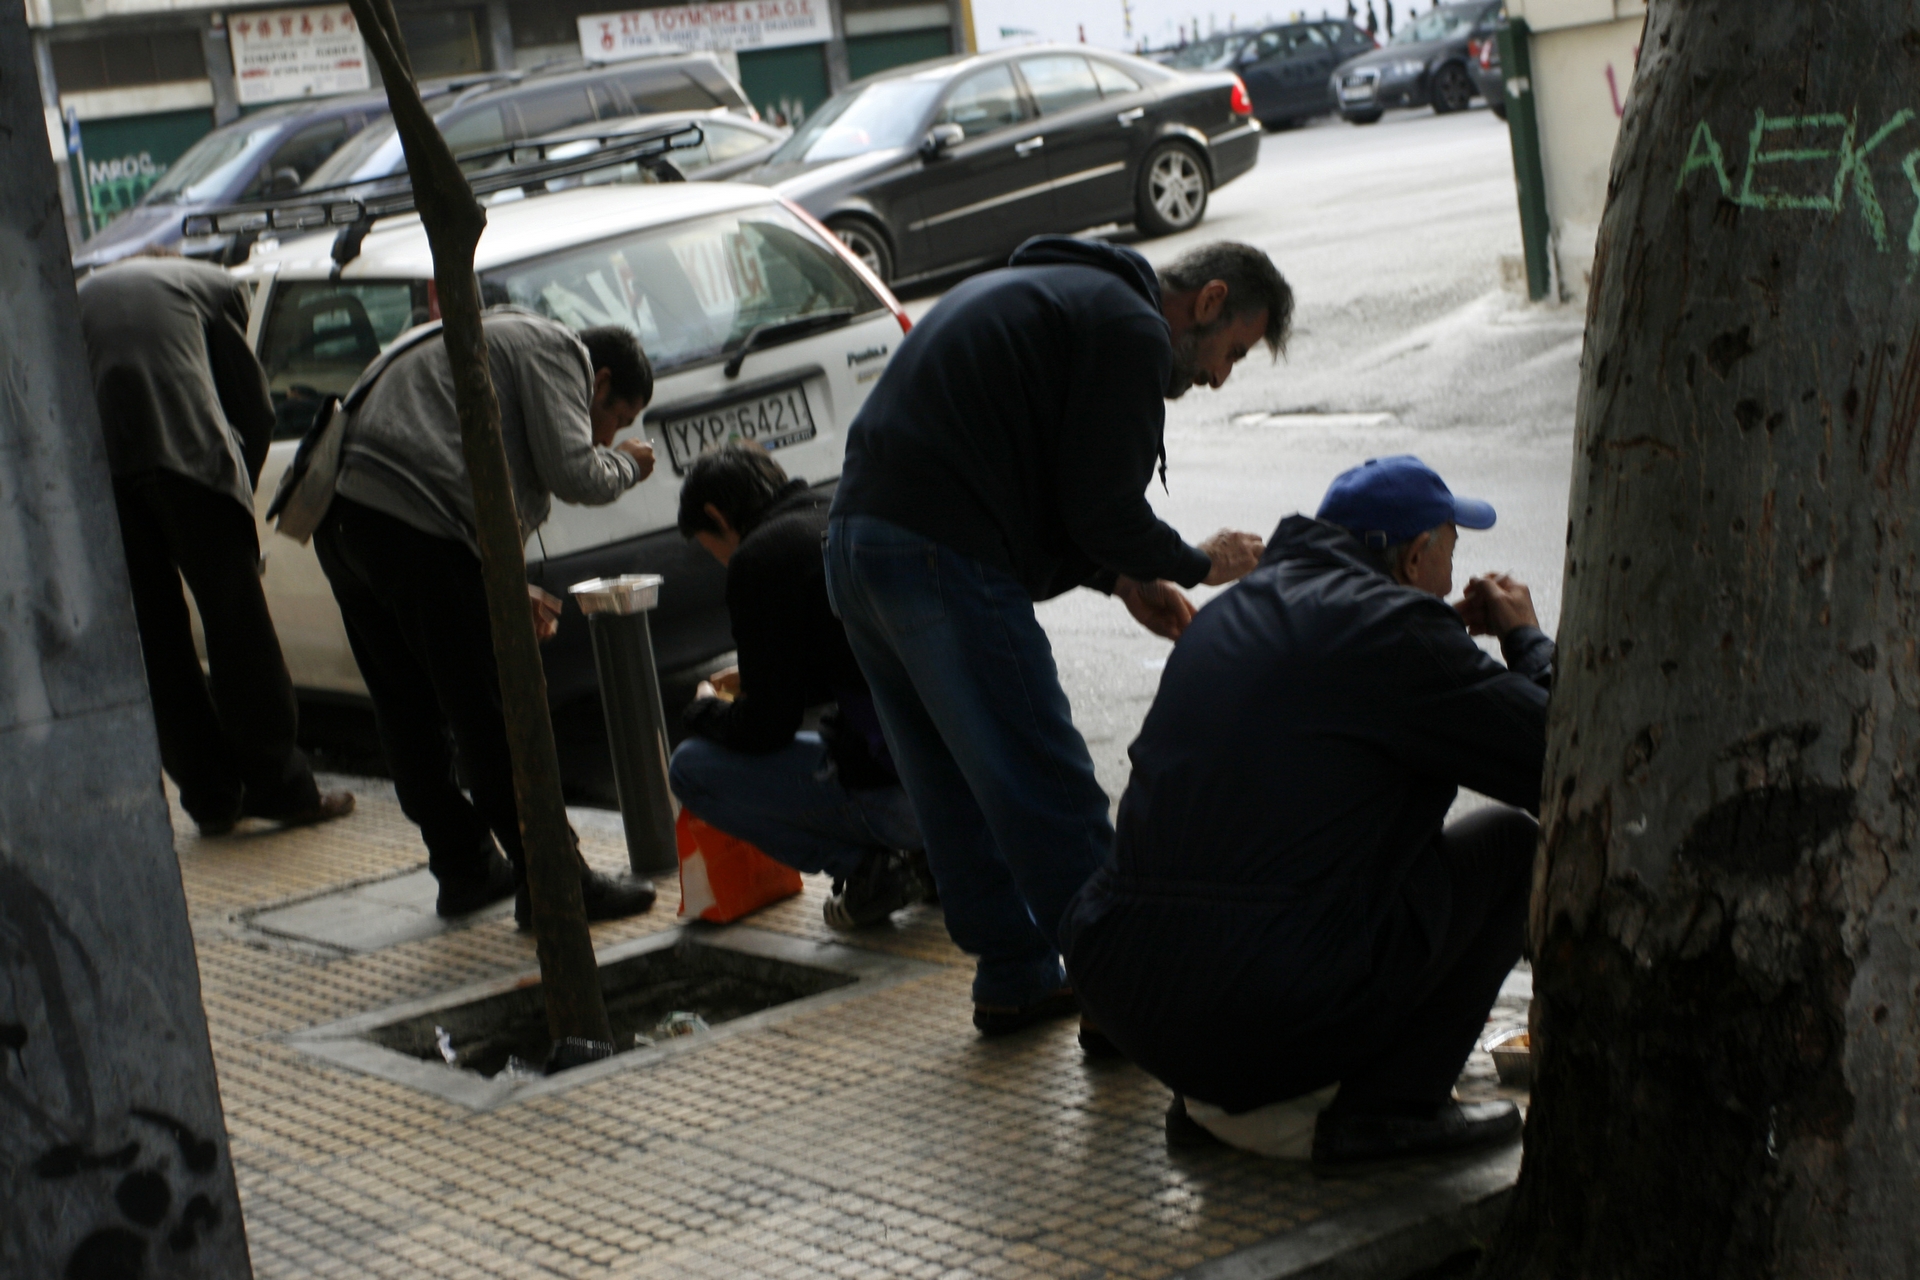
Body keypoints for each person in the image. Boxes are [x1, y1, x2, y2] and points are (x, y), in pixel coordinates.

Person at [825, 236, 1291, 1037]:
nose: (1218, 378)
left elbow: (1041, 479)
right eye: (1234, 353)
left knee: (950, 786)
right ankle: (1126, 993)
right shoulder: (1133, 327)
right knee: (1042, 773)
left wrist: (1121, 577)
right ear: (1208, 301)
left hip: (858, 548)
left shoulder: (1059, 290)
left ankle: (1014, 974)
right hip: (943, 552)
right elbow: (1101, 507)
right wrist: (1194, 562)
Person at [1062, 455, 1551, 1166]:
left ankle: (1210, 1102)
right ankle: (1389, 1108)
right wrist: (1523, 640)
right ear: (1416, 557)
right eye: (1450, 550)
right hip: (1264, 1005)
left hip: (1131, 997)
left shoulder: (1231, 614)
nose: (1452, 576)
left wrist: (1438, 640)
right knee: (1511, 848)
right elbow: (1562, 757)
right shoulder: (1402, 637)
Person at [312, 307, 658, 925]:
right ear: (599, 382)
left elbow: (467, 473)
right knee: (490, 710)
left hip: (346, 518)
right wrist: (630, 463)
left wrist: (494, 585)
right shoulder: (558, 353)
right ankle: (556, 882)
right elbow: (574, 470)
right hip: (412, 522)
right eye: (615, 419)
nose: (606, 435)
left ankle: (466, 868)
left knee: (407, 707)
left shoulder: (494, 334)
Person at [77, 253, 353, 837]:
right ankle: (281, 788)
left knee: (158, 642)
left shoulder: (81, 294)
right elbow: (250, 405)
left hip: (106, 478)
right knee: (239, 629)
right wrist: (241, 491)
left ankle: (209, 796)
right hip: (190, 460)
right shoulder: (219, 289)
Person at [667, 445, 927, 929]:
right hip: (971, 785)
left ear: (716, 515)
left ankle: (872, 869)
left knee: (690, 769)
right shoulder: (837, 511)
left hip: (911, 801)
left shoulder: (760, 558)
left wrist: (703, 709)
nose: (722, 561)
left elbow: (766, 727)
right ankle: (928, 861)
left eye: (711, 547)